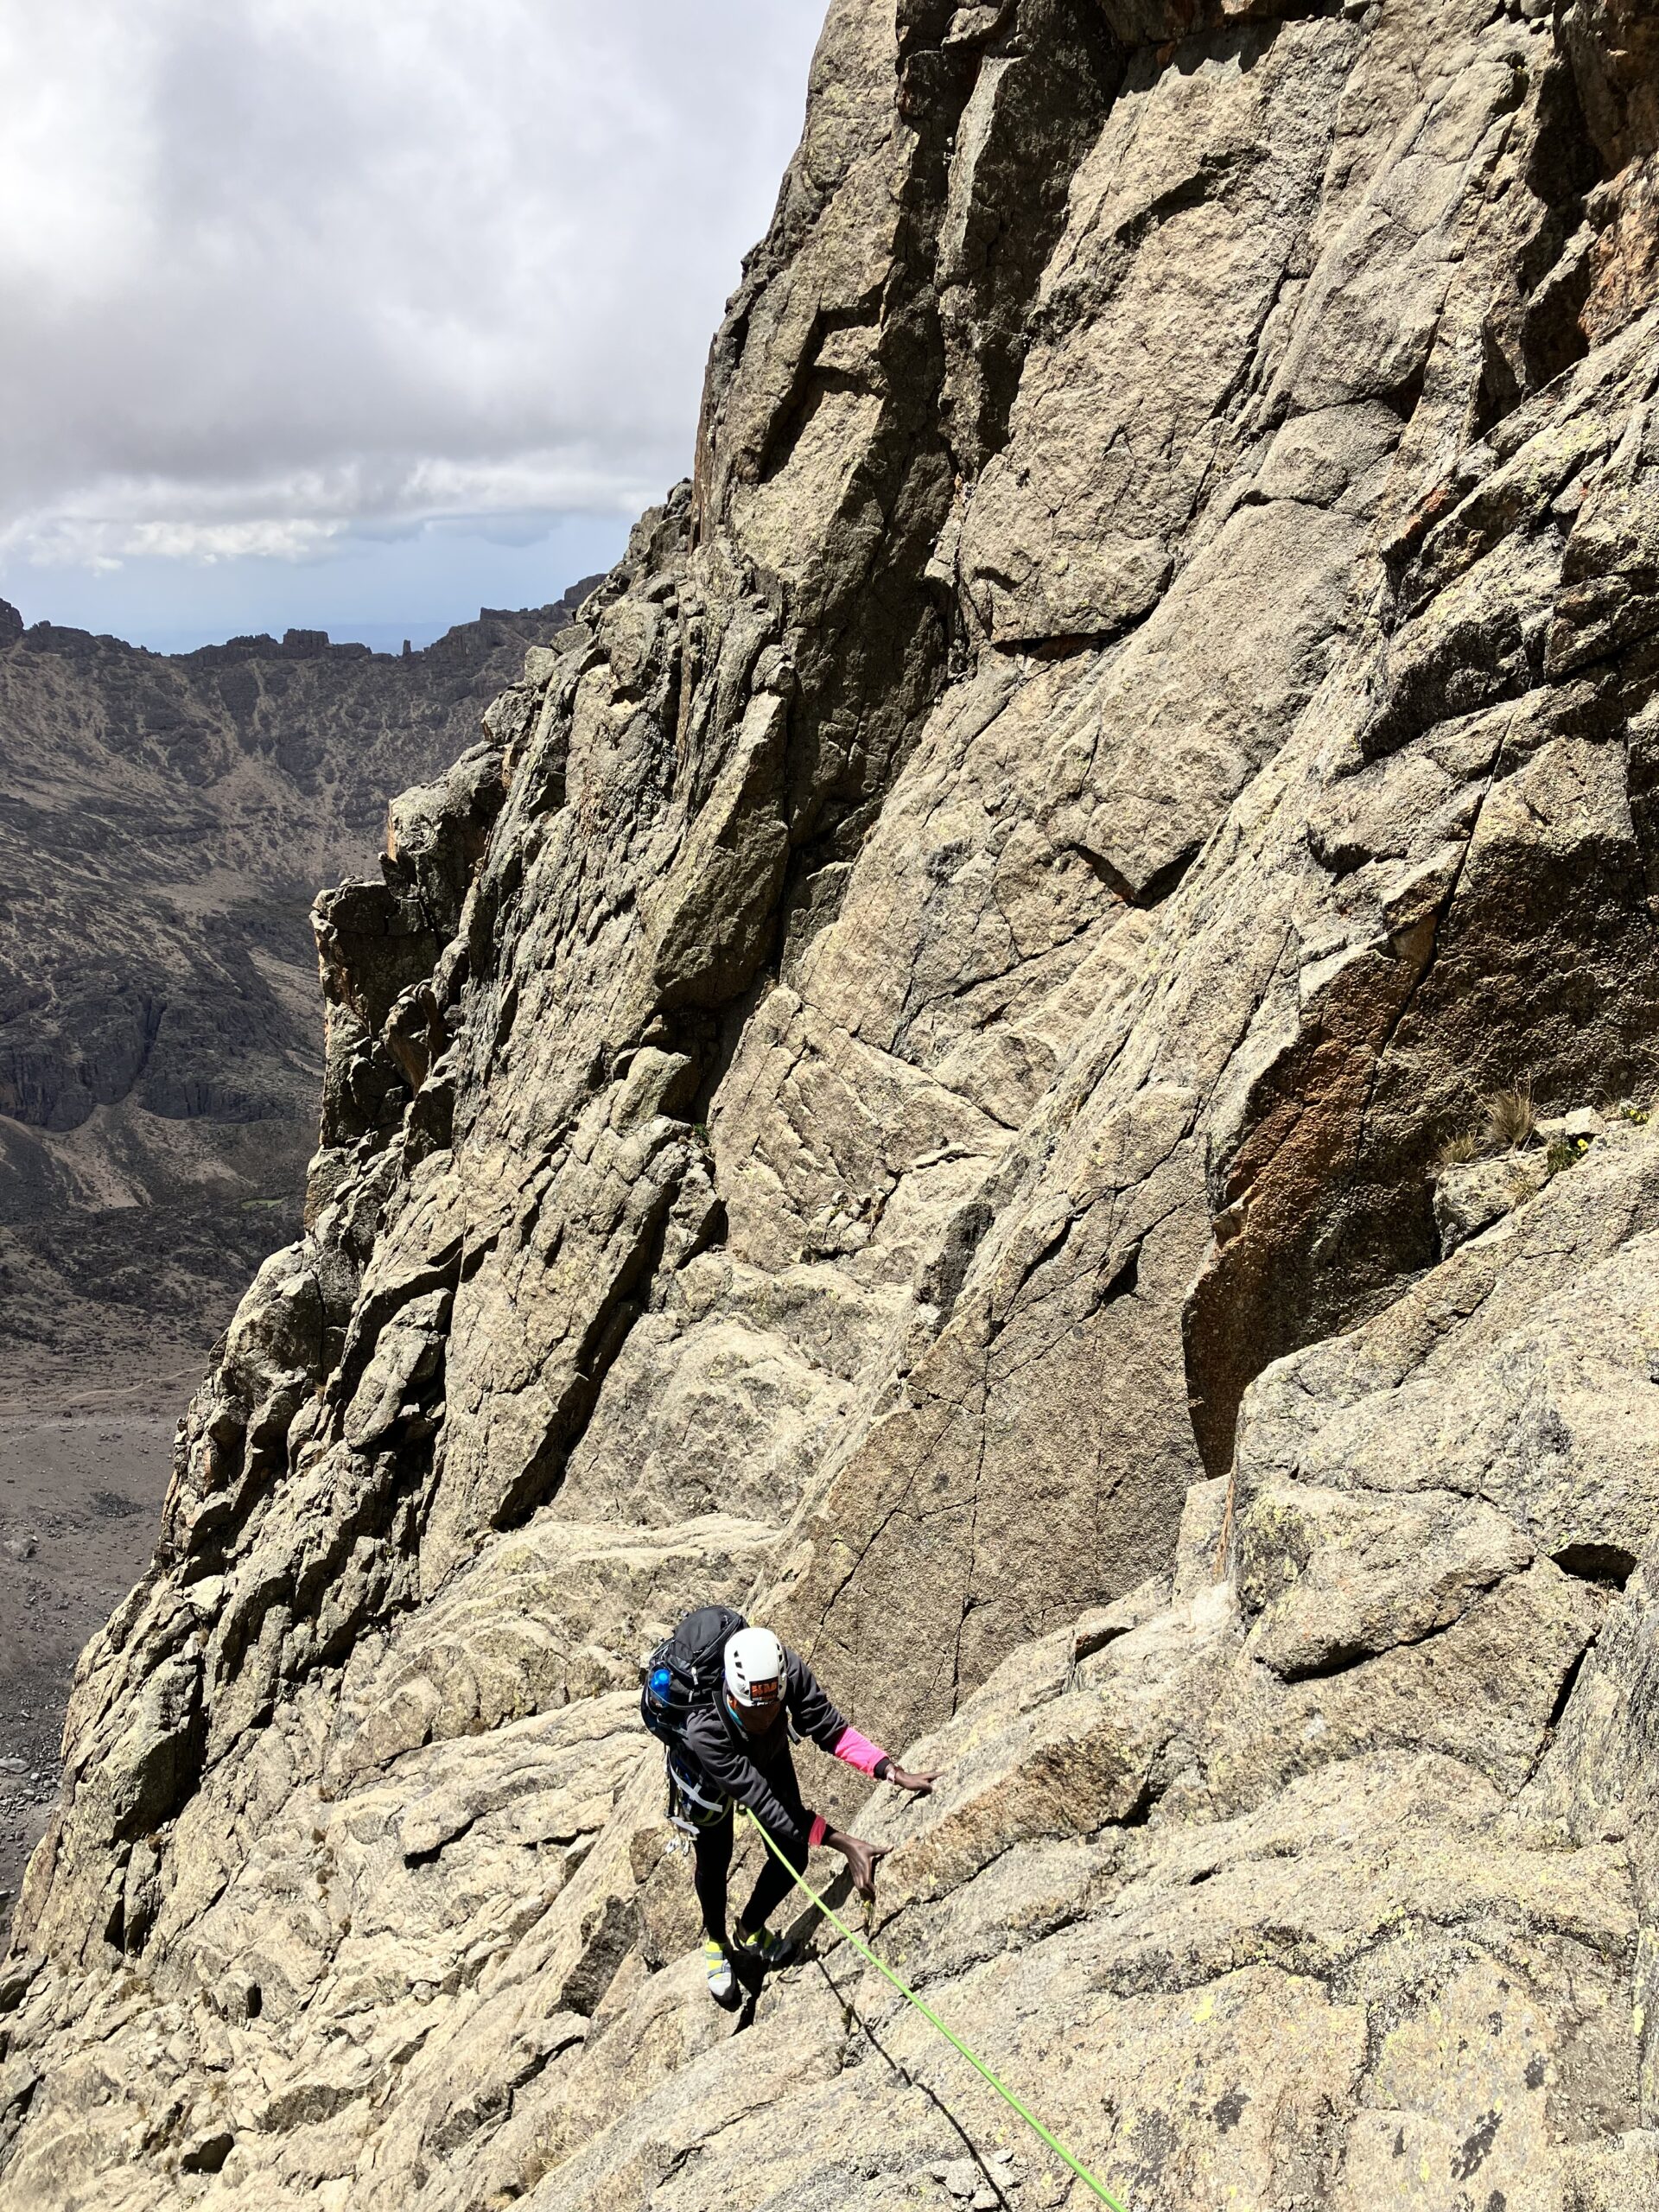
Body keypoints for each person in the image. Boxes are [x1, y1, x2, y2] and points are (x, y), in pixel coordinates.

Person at [677, 1623, 938, 2005]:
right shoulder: (705, 1729)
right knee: (715, 1863)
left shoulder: (788, 1674)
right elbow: (767, 1804)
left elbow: (829, 1728)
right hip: (706, 1779)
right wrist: (844, 1843)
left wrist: (893, 1772)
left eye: (773, 1706)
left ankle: (749, 1929)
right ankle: (716, 1940)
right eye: (756, 1710)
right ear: (733, 1698)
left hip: (768, 1754)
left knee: (793, 1858)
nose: (766, 1717)